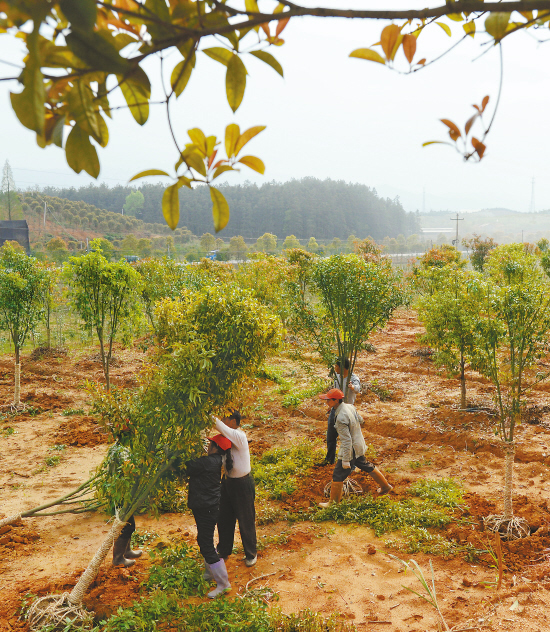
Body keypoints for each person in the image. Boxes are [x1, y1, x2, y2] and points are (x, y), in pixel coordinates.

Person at [318, 388, 392, 508]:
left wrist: (346, 460)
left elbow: (347, 441)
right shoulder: (349, 406)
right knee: (365, 465)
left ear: (336, 401)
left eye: (329, 400)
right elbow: (361, 420)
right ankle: (385, 487)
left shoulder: (341, 418)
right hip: (358, 443)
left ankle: (333, 503)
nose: (326, 402)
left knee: (338, 474)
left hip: (351, 448)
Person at [186, 434, 233, 599]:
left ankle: (223, 583)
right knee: (204, 540)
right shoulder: (214, 461)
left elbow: (186, 467)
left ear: (215, 447)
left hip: (206, 508)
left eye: (209, 444)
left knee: (206, 543)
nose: (207, 447)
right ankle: (210, 573)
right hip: (206, 507)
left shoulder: (208, 462)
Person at [213, 409, 257, 567]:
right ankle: (224, 549)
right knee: (224, 518)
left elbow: (219, 426)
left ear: (232, 421)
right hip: (228, 482)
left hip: (242, 484)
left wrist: (207, 414)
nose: (223, 421)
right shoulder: (227, 438)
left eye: (225, 418)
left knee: (246, 519)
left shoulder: (239, 435)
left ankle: (251, 553)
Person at [316, 359, 361, 467]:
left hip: (347, 412)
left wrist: (352, 387)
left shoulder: (353, 378)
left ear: (343, 368)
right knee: (331, 436)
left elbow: (358, 389)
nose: (335, 368)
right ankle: (329, 459)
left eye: (336, 366)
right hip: (335, 409)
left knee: (348, 438)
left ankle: (351, 463)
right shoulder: (337, 376)